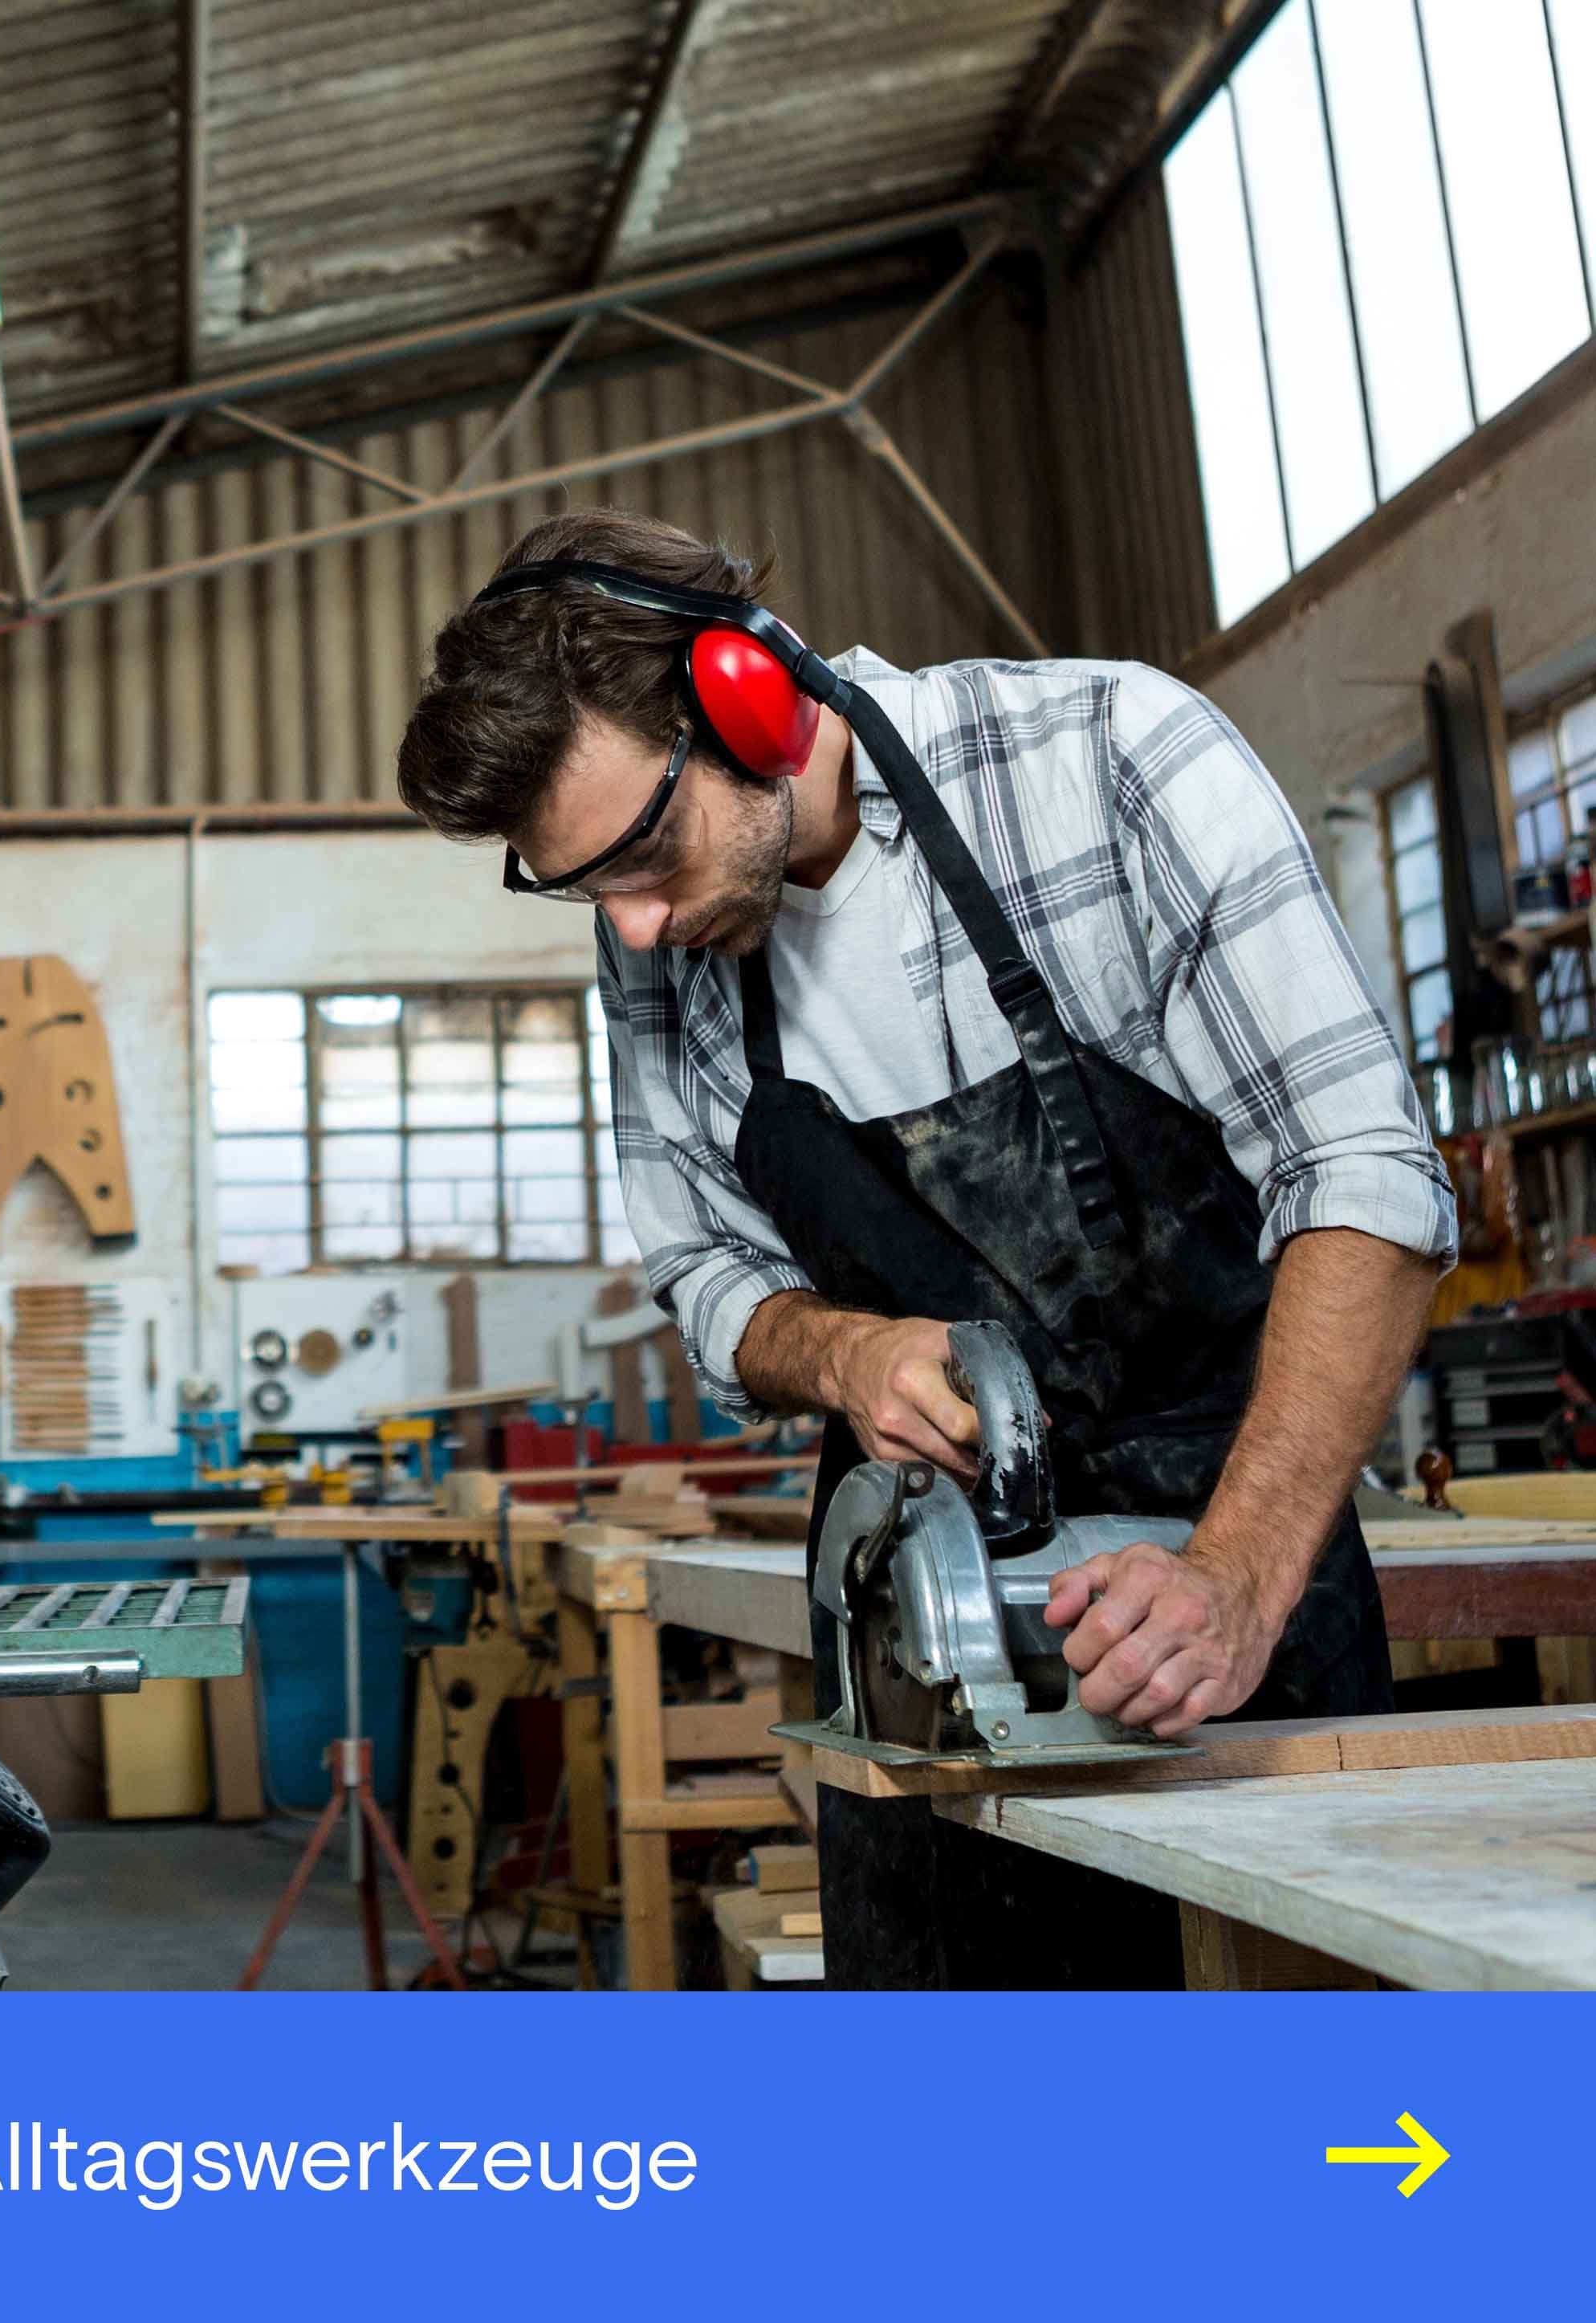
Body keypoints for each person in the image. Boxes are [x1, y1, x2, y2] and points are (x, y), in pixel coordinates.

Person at [397, 507, 1456, 1987]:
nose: (629, 934)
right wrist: (842, 1350)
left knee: (1319, 2137)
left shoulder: (1112, 764)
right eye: (579, 892)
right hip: (915, 1639)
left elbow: (1366, 1173)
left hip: (1229, 1595)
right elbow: (705, 1272)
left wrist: (1236, 1575)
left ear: (752, 695)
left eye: (640, 854)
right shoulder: (659, 938)